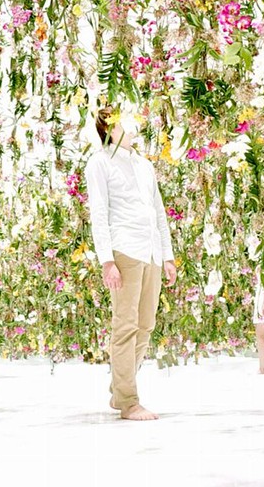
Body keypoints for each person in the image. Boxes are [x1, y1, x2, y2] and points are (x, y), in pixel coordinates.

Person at [84, 107, 177, 421]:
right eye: (125, 119)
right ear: (111, 127)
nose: (134, 123)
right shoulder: (99, 162)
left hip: (149, 251)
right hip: (124, 250)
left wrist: (167, 255)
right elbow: (99, 214)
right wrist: (107, 261)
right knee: (125, 327)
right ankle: (128, 401)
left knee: (146, 325)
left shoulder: (143, 164)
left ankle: (118, 388)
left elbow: (158, 212)